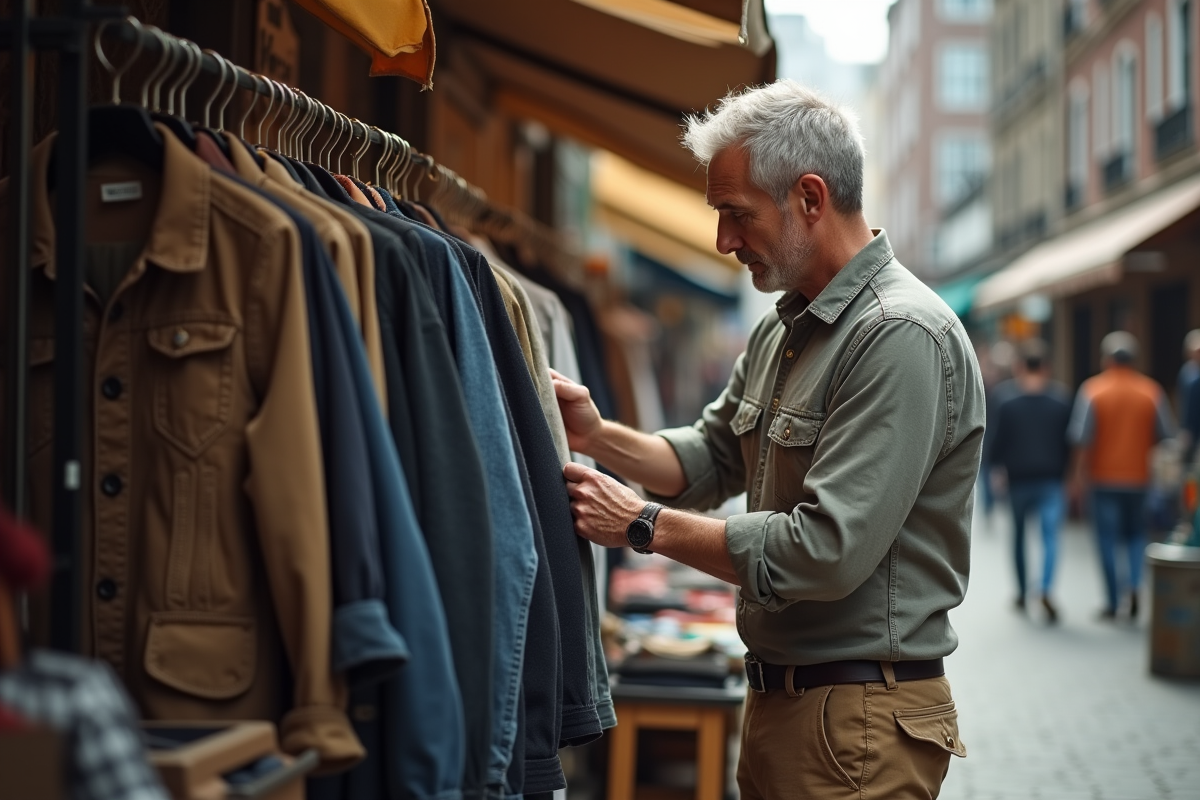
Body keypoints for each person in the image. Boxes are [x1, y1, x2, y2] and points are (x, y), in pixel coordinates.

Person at [553, 81, 984, 800]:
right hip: (795, 709)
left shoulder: (898, 336)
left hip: (857, 724)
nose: (723, 240)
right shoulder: (787, 326)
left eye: (736, 214)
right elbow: (712, 455)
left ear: (809, 198)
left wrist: (642, 524)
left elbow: (825, 551)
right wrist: (597, 433)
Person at [1069, 332, 1174, 620]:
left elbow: (1082, 438)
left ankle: (1114, 600)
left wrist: (1076, 478)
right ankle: (1136, 586)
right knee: (1137, 535)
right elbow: (1166, 435)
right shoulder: (1151, 392)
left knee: (1106, 539)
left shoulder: (1093, 390)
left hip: (1103, 478)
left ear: (1106, 359)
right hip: (1140, 478)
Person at [988, 340, 1071, 622]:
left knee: (1019, 537)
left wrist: (997, 471)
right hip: (1051, 479)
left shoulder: (1008, 401)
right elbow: (1069, 444)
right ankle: (1045, 587)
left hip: (1019, 480)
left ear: (1021, 367)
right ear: (1046, 368)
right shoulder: (1060, 400)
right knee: (1050, 537)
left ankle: (1022, 592)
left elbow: (997, 443)